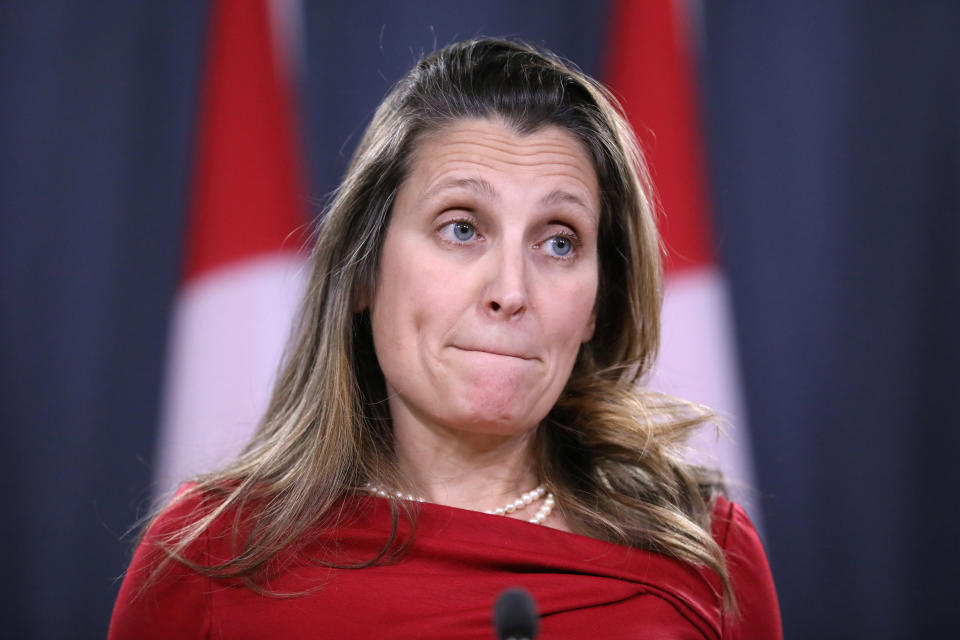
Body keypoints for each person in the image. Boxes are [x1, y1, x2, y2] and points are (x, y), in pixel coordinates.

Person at [109, 38, 781, 639]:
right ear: (365, 273)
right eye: (462, 227)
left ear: (598, 306)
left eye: (558, 241)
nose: (511, 291)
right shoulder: (206, 559)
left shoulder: (704, 554)